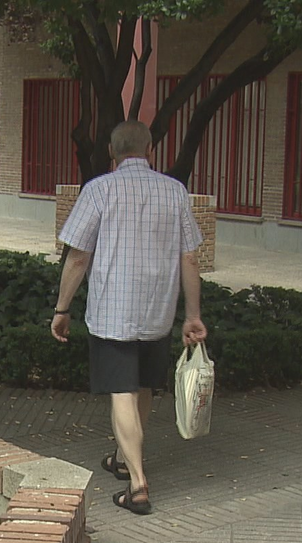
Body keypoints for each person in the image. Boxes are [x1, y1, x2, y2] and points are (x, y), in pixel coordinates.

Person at [51, 120, 207, 516]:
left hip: (112, 313)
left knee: (122, 391)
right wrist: (192, 315)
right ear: (150, 149)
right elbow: (189, 257)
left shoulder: (99, 189)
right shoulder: (174, 191)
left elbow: (79, 255)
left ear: (111, 152)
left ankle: (137, 484)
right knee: (142, 388)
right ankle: (123, 459)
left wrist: (62, 308)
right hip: (157, 311)